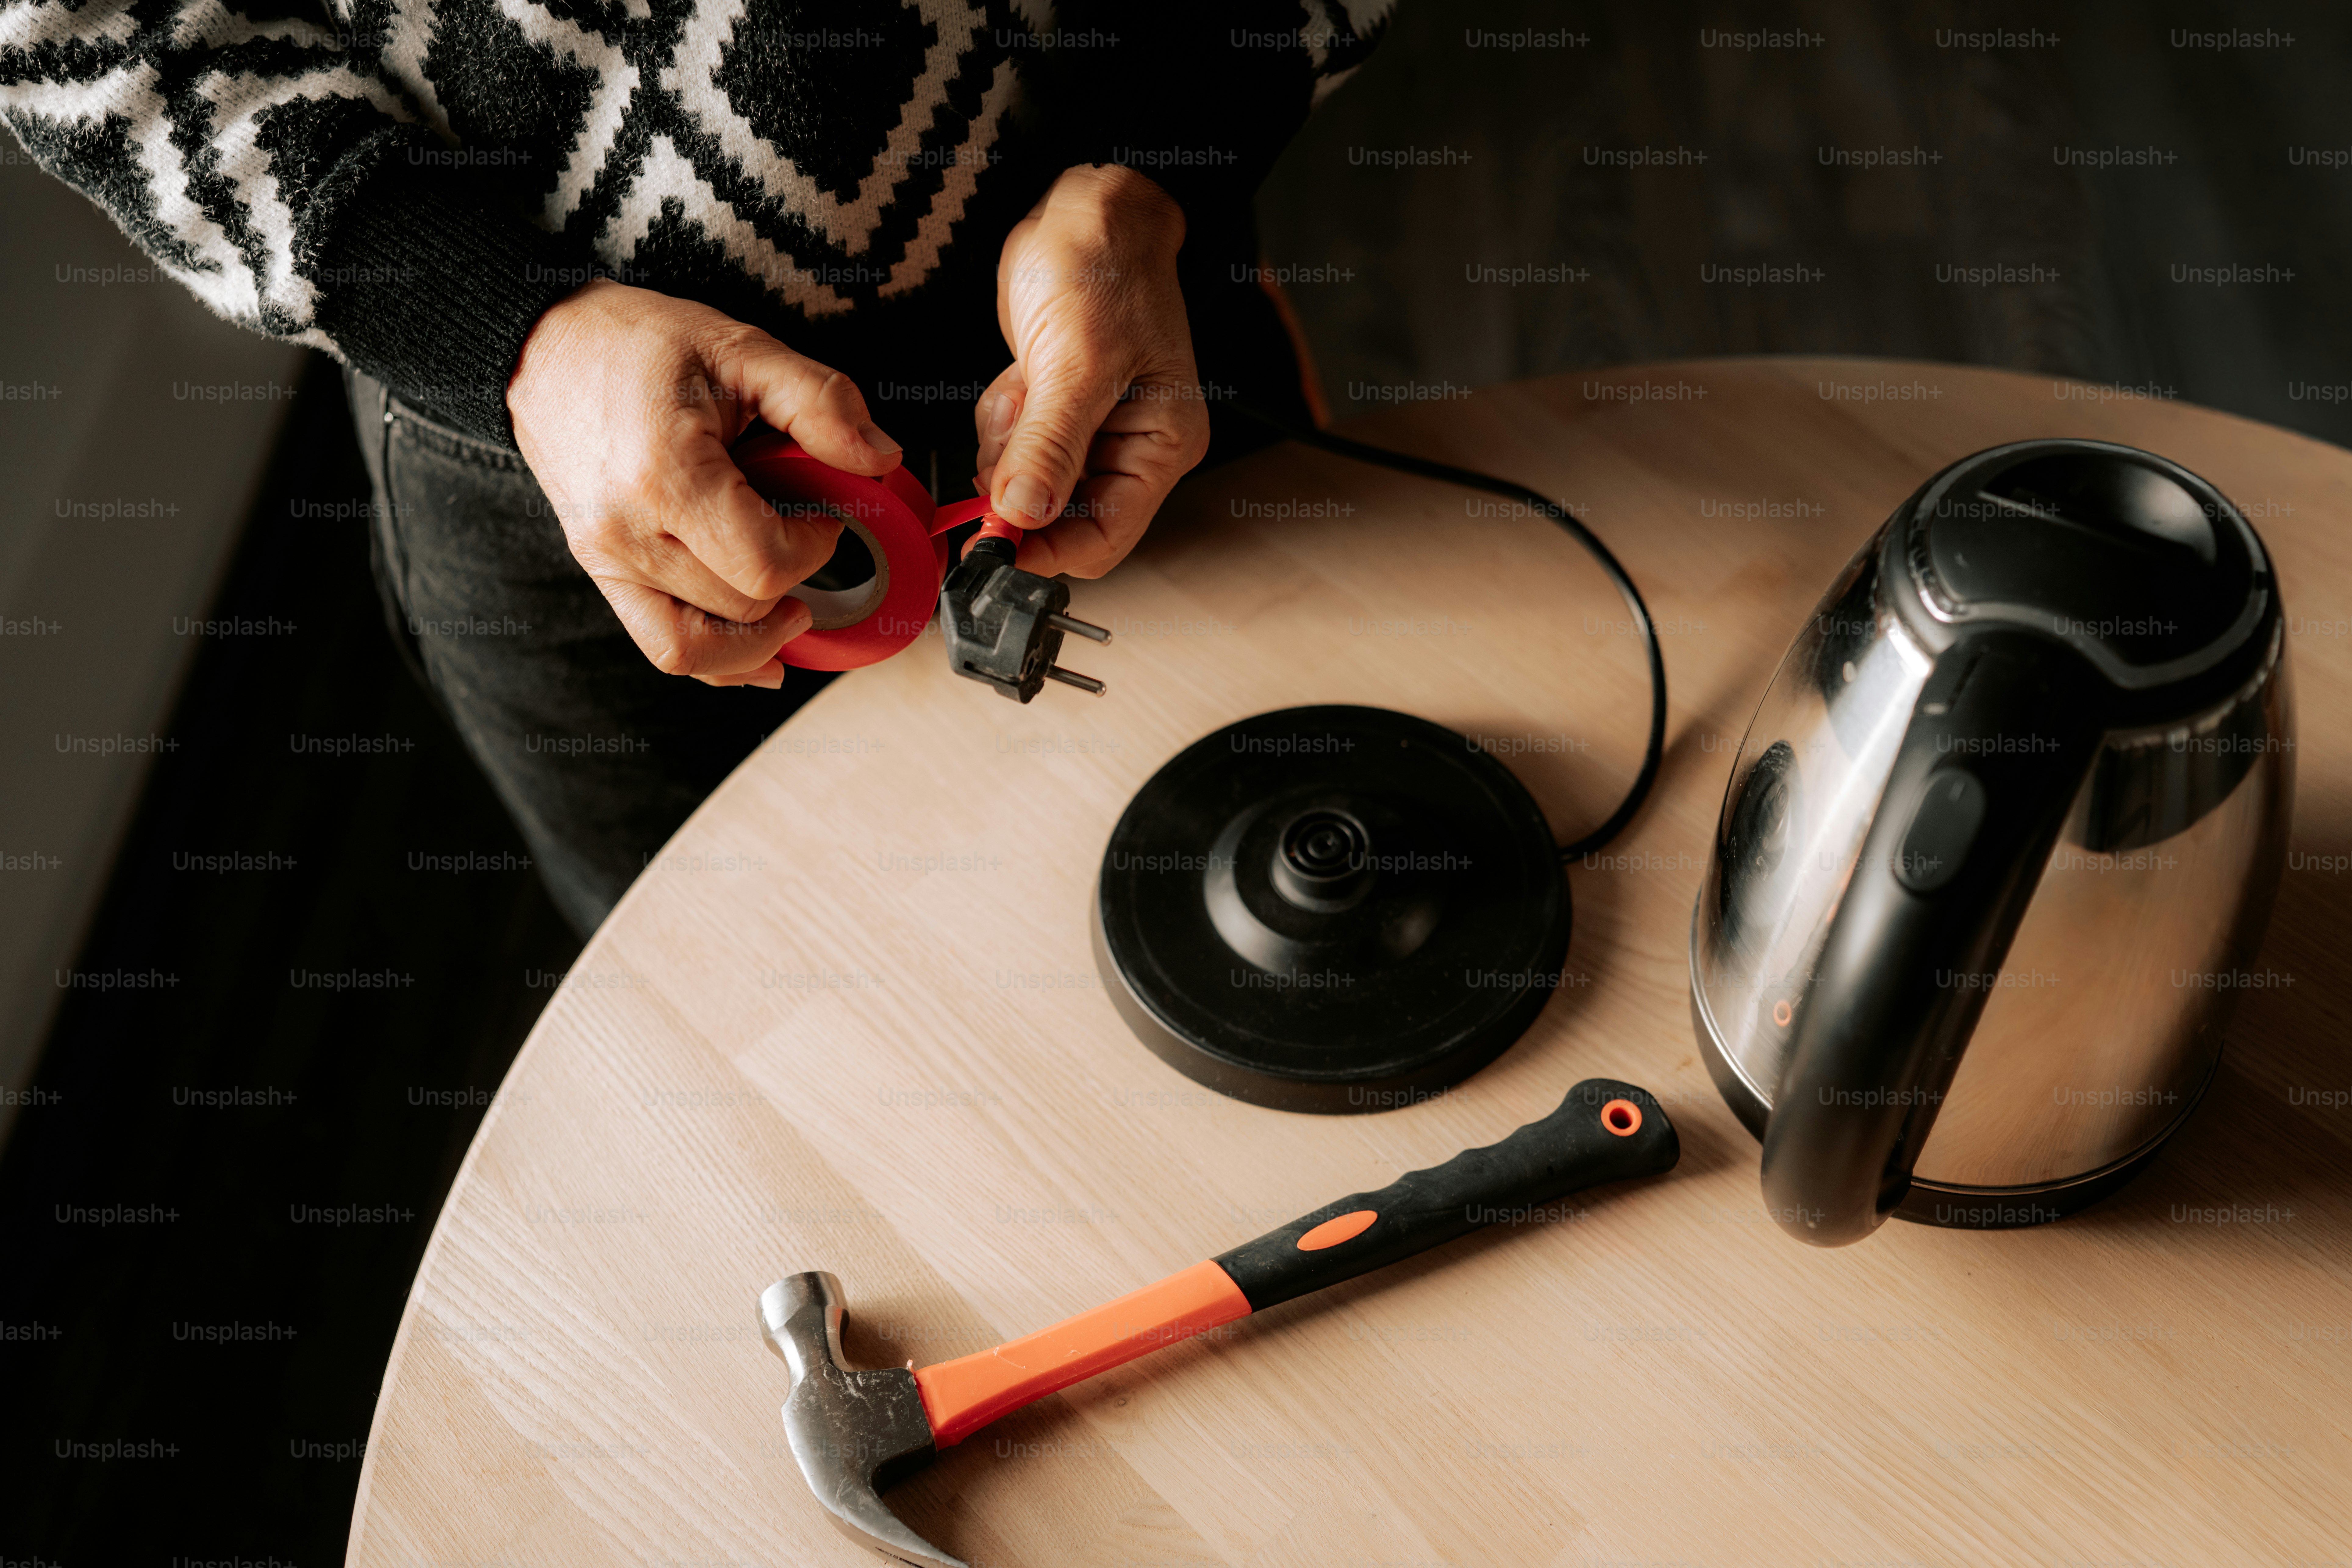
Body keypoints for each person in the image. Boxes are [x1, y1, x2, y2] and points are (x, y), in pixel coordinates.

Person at [2, 1, 1391, 933]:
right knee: (729, 994)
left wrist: (1157, 160)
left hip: (1116, 314)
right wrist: (507, 331)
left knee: (1298, 873)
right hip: (554, 442)